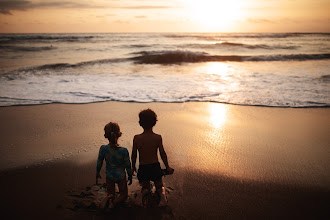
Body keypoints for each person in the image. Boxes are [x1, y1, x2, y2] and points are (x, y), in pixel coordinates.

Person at [131, 109, 174, 207]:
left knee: (145, 187)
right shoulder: (157, 137)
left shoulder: (137, 138)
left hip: (143, 167)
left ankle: (140, 197)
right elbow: (163, 153)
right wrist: (167, 166)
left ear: (140, 123)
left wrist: (133, 166)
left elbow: (134, 154)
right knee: (159, 186)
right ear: (154, 122)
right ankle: (163, 198)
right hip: (155, 166)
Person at [96, 122, 132, 209]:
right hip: (120, 176)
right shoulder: (123, 151)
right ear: (120, 134)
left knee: (111, 193)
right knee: (123, 195)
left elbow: (99, 162)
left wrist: (97, 172)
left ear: (105, 135)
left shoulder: (103, 149)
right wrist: (130, 175)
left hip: (109, 175)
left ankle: (108, 199)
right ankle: (114, 203)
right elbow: (128, 165)